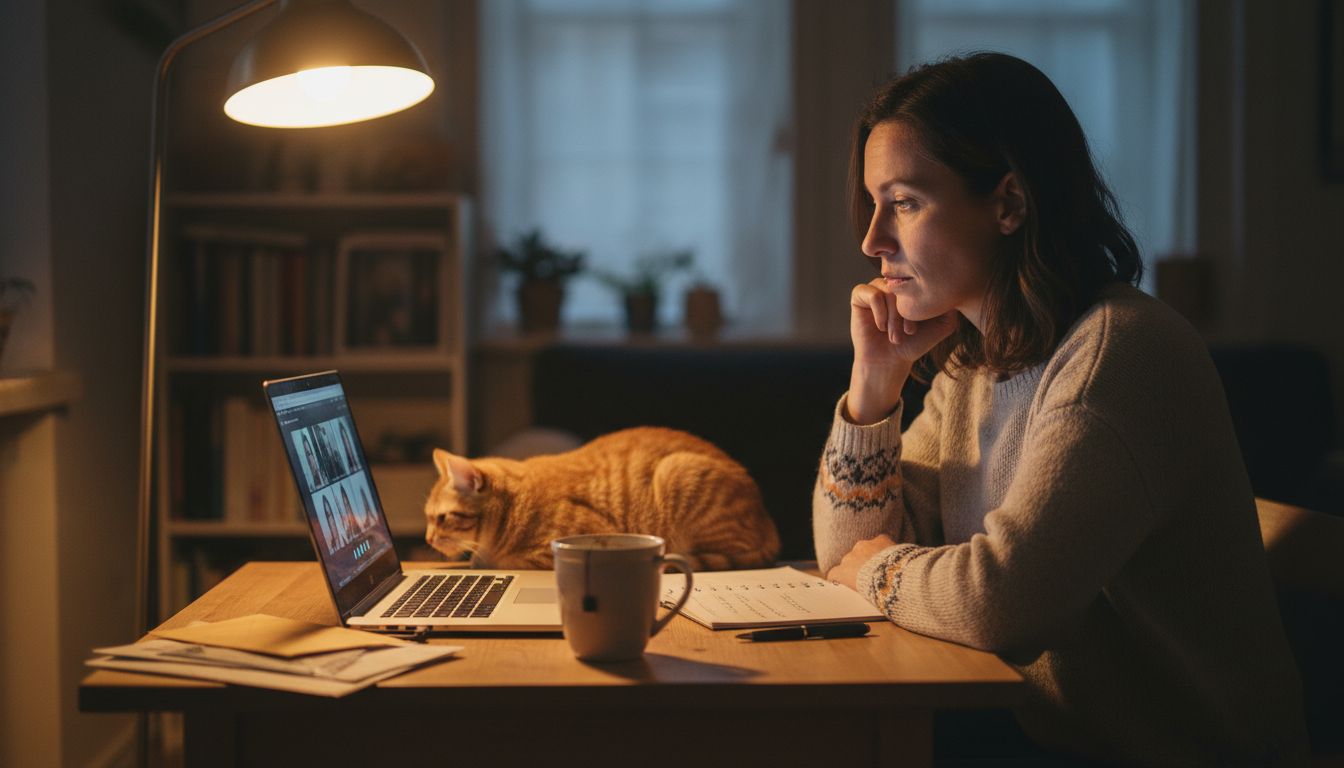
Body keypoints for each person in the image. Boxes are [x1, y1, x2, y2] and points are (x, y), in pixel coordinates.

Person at [812, 52, 1308, 764]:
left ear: (1009, 203)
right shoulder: (974, 362)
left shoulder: (1120, 354)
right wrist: (876, 385)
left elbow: (1000, 604)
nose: (872, 242)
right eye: (874, 202)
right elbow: (846, 551)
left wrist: (877, 572)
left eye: (906, 202)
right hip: (1050, 739)